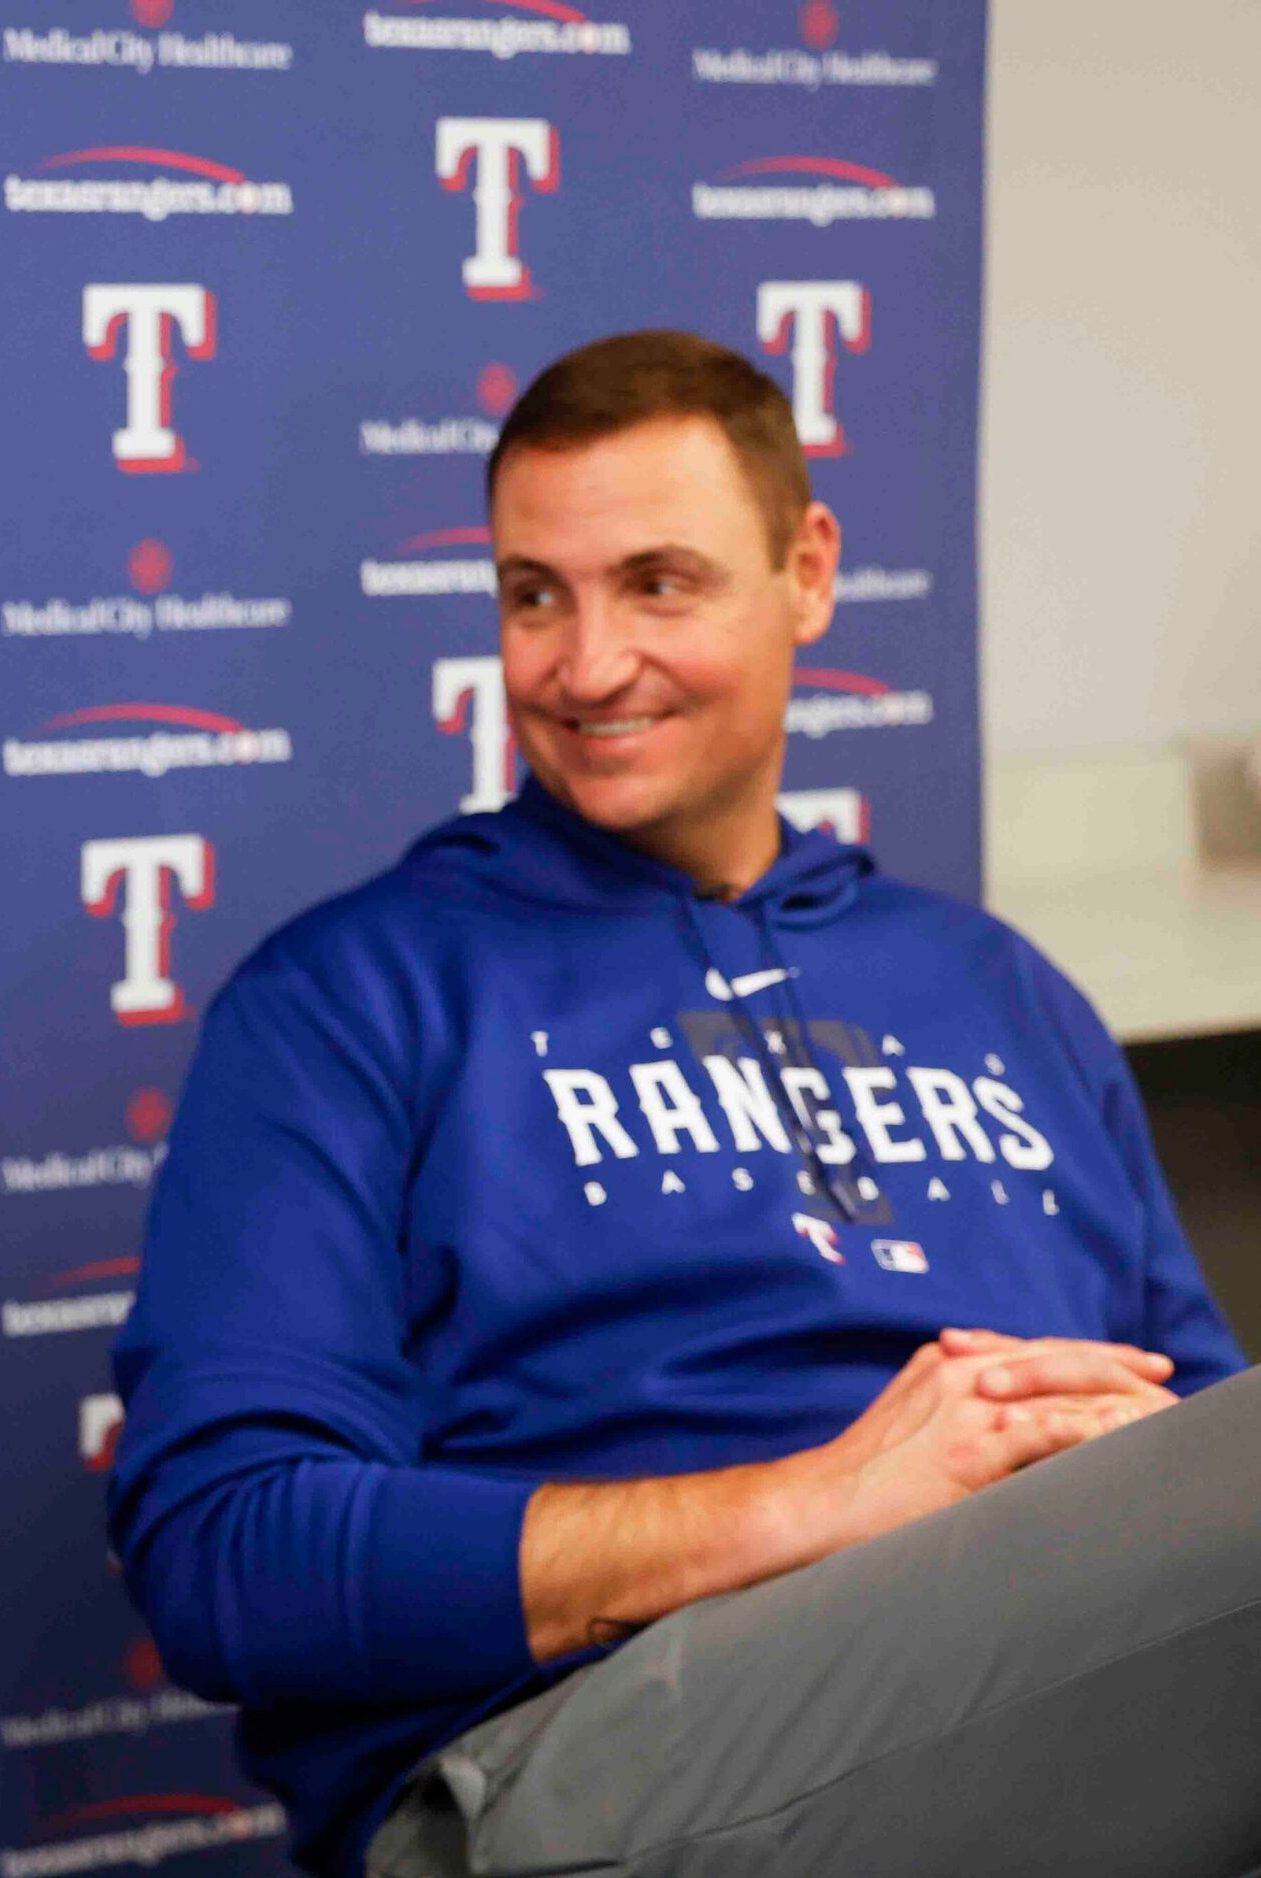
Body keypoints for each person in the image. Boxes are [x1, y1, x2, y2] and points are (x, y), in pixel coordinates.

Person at [108, 330, 1258, 1878]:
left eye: (658, 582)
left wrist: (1110, 1491)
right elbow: (228, 1550)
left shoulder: (998, 988)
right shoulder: (352, 997)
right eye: (535, 595)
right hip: (574, 1762)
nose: (584, 667)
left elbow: (1202, 1440)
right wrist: (814, 1504)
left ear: (809, 572)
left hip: (1029, 1701)